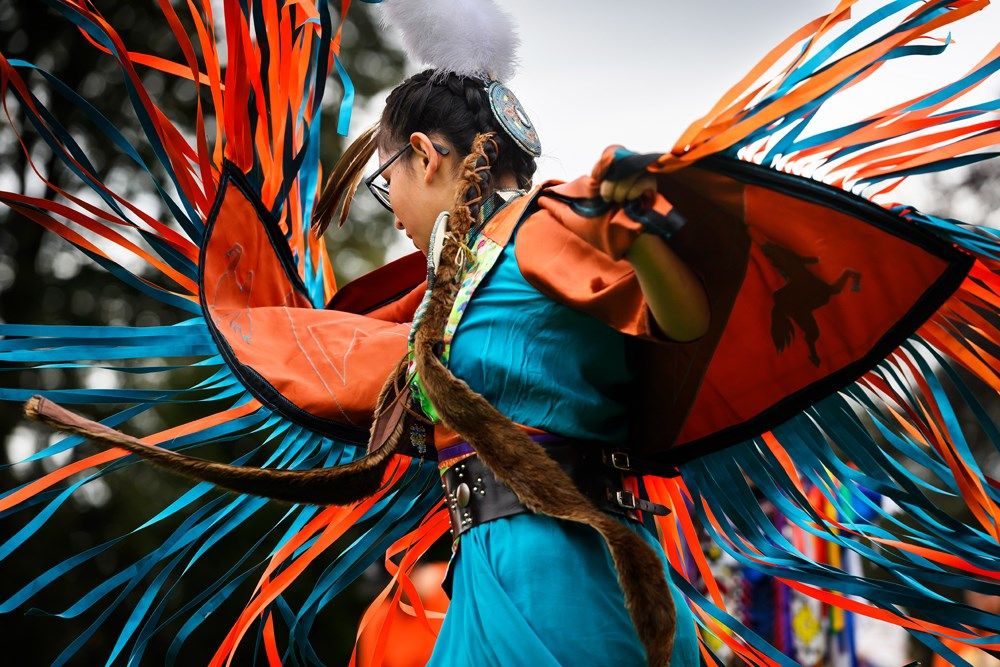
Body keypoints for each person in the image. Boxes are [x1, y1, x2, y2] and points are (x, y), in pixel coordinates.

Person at [311, 68, 708, 665]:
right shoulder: (453, 282)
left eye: (384, 182)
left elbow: (683, 323)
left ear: (422, 156)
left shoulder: (543, 225)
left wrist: (641, 233)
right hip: (500, 570)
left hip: (562, 580)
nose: (392, 216)